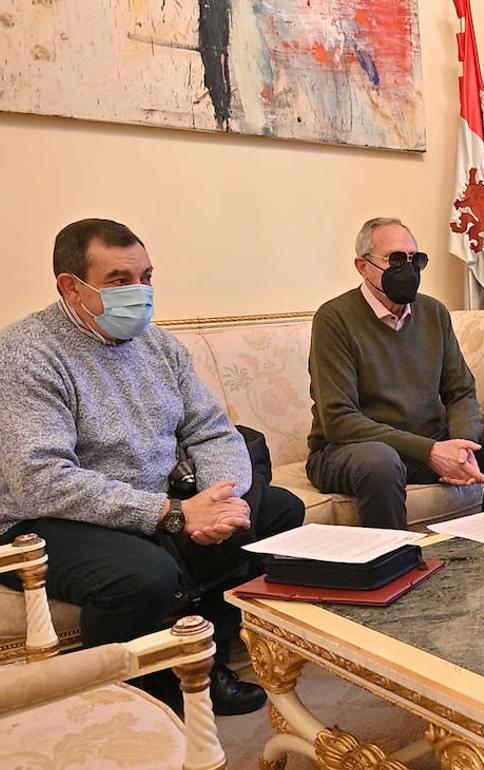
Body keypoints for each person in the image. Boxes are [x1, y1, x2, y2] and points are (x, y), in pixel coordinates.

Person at [0, 218, 305, 716]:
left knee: (277, 510)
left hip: (159, 498)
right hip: (43, 520)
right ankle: (128, 697)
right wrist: (172, 513)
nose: (139, 292)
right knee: (145, 575)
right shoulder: (26, 354)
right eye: (119, 280)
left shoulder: (160, 346)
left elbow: (211, 429)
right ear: (70, 287)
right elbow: (41, 480)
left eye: (146, 277)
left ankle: (206, 659)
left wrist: (219, 499)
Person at [305, 217, 484, 529]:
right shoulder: (334, 318)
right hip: (353, 449)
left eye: (416, 259)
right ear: (363, 266)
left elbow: (460, 391)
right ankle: (395, 557)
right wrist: (430, 452)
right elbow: (339, 420)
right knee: (381, 462)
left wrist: (461, 445)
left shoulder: (433, 312)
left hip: (426, 441)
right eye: (396, 259)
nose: (409, 269)